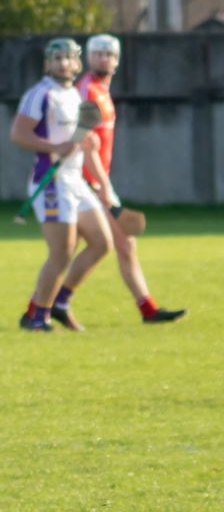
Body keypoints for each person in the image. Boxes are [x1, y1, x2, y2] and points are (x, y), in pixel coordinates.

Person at [53, 34, 186, 326]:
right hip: (86, 181)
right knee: (114, 244)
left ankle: (50, 305)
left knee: (89, 246)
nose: (102, 58)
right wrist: (102, 186)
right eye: (97, 53)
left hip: (93, 180)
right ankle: (53, 304)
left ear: (117, 60)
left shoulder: (102, 91)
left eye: (108, 54)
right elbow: (86, 143)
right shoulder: (88, 90)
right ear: (89, 58)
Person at [10, 37, 113, 332]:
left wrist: (101, 181)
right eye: (55, 58)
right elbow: (18, 134)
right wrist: (54, 145)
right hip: (51, 181)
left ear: (77, 63)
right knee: (62, 252)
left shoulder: (75, 96)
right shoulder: (40, 94)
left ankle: (59, 302)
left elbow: (82, 142)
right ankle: (35, 316)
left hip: (75, 180)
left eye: (67, 58)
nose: (62, 63)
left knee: (101, 243)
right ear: (47, 64)